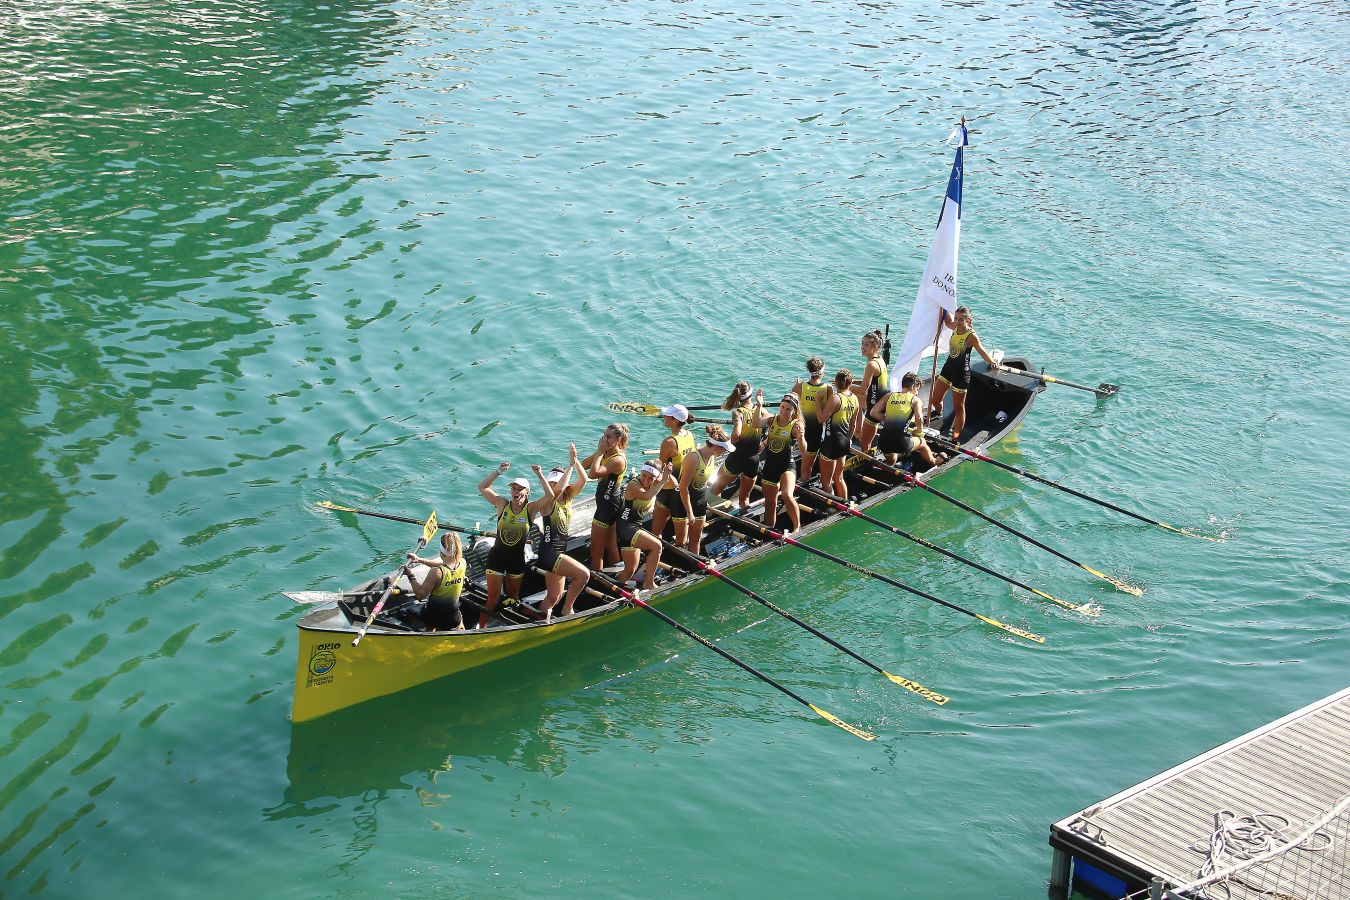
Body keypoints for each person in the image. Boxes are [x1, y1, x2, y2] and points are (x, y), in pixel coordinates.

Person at [476, 461, 541, 629]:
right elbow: (482, 487)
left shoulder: (531, 509)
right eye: (513, 488)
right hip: (497, 557)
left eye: (520, 489)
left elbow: (551, 497)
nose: (516, 491)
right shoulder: (502, 504)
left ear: (527, 492)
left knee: (513, 598)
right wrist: (498, 470)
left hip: (516, 560)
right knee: (492, 599)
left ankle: (513, 627)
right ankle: (480, 630)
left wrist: (539, 475)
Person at [531, 443, 591, 619]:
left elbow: (584, 479)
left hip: (558, 552)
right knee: (583, 575)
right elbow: (557, 491)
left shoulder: (569, 498)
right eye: (550, 483)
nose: (553, 486)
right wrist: (570, 466)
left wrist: (575, 461)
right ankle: (567, 610)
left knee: (553, 597)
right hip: (550, 553)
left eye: (555, 483)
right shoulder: (548, 503)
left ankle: (538, 619)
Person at [927, 306, 998, 443]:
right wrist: (942, 305)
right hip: (948, 369)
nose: (957, 322)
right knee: (935, 399)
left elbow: (982, 351)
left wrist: (992, 362)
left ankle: (955, 437)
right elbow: (947, 322)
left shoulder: (971, 336)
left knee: (958, 407)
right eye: (956, 318)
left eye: (961, 320)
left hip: (961, 374)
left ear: (968, 320)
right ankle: (940, 414)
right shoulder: (955, 326)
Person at [615, 461, 672, 599]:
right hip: (626, 526)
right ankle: (648, 583)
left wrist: (667, 473)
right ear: (640, 472)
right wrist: (662, 480)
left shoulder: (655, 484)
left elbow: (674, 485)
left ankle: (615, 591)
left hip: (635, 527)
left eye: (650, 478)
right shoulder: (634, 484)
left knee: (630, 569)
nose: (646, 480)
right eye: (644, 475)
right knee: (657, 547)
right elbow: (646, 496)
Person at [678, 425, 735, 553]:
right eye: (724, 449)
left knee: (696, 538)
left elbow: (703, 484)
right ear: (716, 447)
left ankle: (694, 563)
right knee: (682, 542)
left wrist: (704, 502)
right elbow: (683, 487)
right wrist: (689, 512)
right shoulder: (693, 458)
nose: (724, 453)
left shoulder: (712, 457)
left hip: (700, 501)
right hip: (683, 503)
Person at [581, 423, 628, 572]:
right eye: (603, 435)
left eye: (608, 437)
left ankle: (597, 576)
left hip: (607, 506)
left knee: (596, 550)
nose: (603, 439)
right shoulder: (606, 452)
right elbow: (584, 465)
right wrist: (600, 451)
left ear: (618, 439)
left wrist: (601, 452)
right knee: (610, 544)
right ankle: (617, 572)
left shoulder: (617, 460)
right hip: (608, 503)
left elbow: (592, 474)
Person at [710, 382, 765, 510]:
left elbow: (736, 434)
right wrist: (763, 443)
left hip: (737, 457)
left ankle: (719, 511)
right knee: (744, 499)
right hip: (753, 460)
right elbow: (773, 422)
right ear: (751, 394)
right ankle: (742, 513)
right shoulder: (760, 410)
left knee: (715, 491)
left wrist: (730, 444)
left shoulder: (738, 413)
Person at [649, 404, 697, 547]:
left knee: (656, 533)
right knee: (681, 540)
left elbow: (660, 469)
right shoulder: (689, 435)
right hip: (683, 491)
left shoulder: (669, 442)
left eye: (667, 415)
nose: (664, 417)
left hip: (667, 491)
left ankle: (656, 554)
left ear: (675, 421)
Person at [759, 394, 808, 533]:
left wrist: (801, 438)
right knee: (770, 503)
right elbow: (756, 423)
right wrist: (758, 405)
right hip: (770, 465)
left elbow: (804, 450)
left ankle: (797, 528)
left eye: (788, 409)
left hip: (787, 465)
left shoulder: (796, 425)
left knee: (787, 495)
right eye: (782, 407)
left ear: (794, 411)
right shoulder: (772, 419)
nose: (784, 411)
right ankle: (770, 532)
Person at [872, 371, 941, 468]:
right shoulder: (915, 400)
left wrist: (889, 420)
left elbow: (873, 413)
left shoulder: (889, 396)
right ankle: (935, 462)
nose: (917, 393)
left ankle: (889, 466)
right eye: (917, 389)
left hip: (883, 442)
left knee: (892, 460)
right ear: (913, 386)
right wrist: (918, 430)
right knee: (922, 442)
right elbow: (919, 418)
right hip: (901, 443)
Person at [407, 531, 467, 631]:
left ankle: (428, 635)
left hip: (434, 618)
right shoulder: (462, 563)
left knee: (428, 617)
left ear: (442, 552)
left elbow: (420, 596)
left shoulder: (436, 572)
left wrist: (410, 575)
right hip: (453, 618)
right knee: (459, 617)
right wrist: (420, 560)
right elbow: (444, 565)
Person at [817, 369, 858, 500]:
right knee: (839, 477)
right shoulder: (854, 399)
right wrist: (849, 439)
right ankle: (845, 503)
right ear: (851, 383)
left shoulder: (835, 398)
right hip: (845, 442)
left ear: (836, 382)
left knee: (826, 481)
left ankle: (834, 506)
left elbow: (821, 419)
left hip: (831, 444)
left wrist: (818, 401)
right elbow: (853, 425)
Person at [793, 356, 831, 482]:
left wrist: (797, 386)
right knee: (807, 468)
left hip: (800, 432)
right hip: (816, 433)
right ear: (822, 372)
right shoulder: (828, 389)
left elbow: (791, 409)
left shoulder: (799, 387)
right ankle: (803, 485)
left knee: (804, 466)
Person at [854, 329, 889, 453]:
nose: (862, 347)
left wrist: (844, 385)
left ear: (875, 347)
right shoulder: (879, 359)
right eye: (862, 344)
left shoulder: (871, 365)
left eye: (866, 345)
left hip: (875, 405)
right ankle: (858, 429)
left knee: (864, 444)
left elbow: (863, 390)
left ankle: (867, 456)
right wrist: (851, 382)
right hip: (879, 400)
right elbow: (870, 382)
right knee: (854, 397)